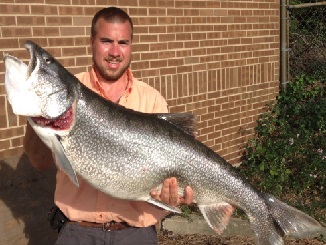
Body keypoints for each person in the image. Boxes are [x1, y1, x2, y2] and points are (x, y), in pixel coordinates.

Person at [24, 6, 194, 245]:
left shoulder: (152, 100)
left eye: (123, 43)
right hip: (76, 232)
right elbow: (39, 162)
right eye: (106, 41)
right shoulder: (67, 90)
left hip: (136, 235)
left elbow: (166, 183)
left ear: (131, 45)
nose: (115, 52)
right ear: (92, 41)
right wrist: (37, 115)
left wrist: (171, 196)